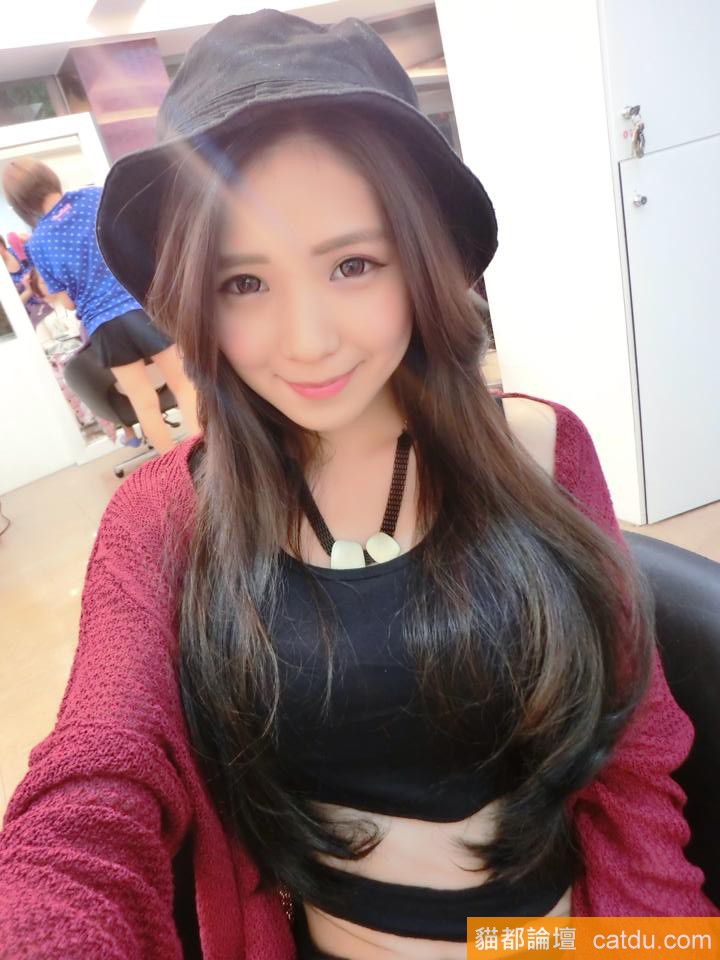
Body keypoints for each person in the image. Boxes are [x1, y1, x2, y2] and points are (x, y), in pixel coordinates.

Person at [0, 11, 716, 960]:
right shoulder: (167, 514)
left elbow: (634, 755)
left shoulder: (542, 448)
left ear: (422, 261)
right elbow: (97, 778)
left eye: (353, 264)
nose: (308, 342)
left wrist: (666, 946)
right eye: (243, 283)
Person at [1, 161, 200, 453]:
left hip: (103, 326)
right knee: (183, 383)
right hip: (138, 305)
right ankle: (205, 457)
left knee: (143, 402)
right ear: (48, 176)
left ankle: (173, 470)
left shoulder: (37, 244)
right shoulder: (96, 197)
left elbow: (67, 301)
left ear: (20, 202)